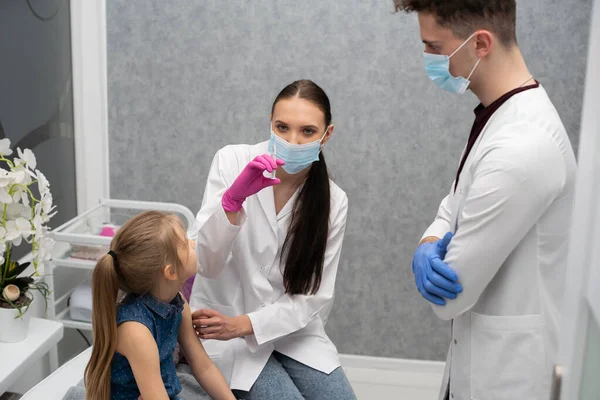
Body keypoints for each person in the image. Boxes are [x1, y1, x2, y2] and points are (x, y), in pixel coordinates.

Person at [395, 1, 577, 399]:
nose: (428, 59)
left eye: (435, 47)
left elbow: (450, 297)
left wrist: (438, 251)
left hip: (508, 377)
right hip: (474, 362)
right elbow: (454, 204)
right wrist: (430, 243)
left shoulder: (523, 145)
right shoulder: (500, 114)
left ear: (480, 43)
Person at [187, 79, 356, 400]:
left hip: (292, 332)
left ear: (327, 134)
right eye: (282, 127)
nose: (292, 141)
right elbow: (206, 265)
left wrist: (244, 324)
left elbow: (312, 297)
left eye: (307, 131)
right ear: (270, 124)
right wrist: (231, 205)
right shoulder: (231, 161)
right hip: (222, 328)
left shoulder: (334, 200)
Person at [84, 211, 235, 400]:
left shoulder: (177, 302)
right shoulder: (136, 330)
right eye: (186, 243)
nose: (193, 243)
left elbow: (203, 366)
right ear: (170, 272)